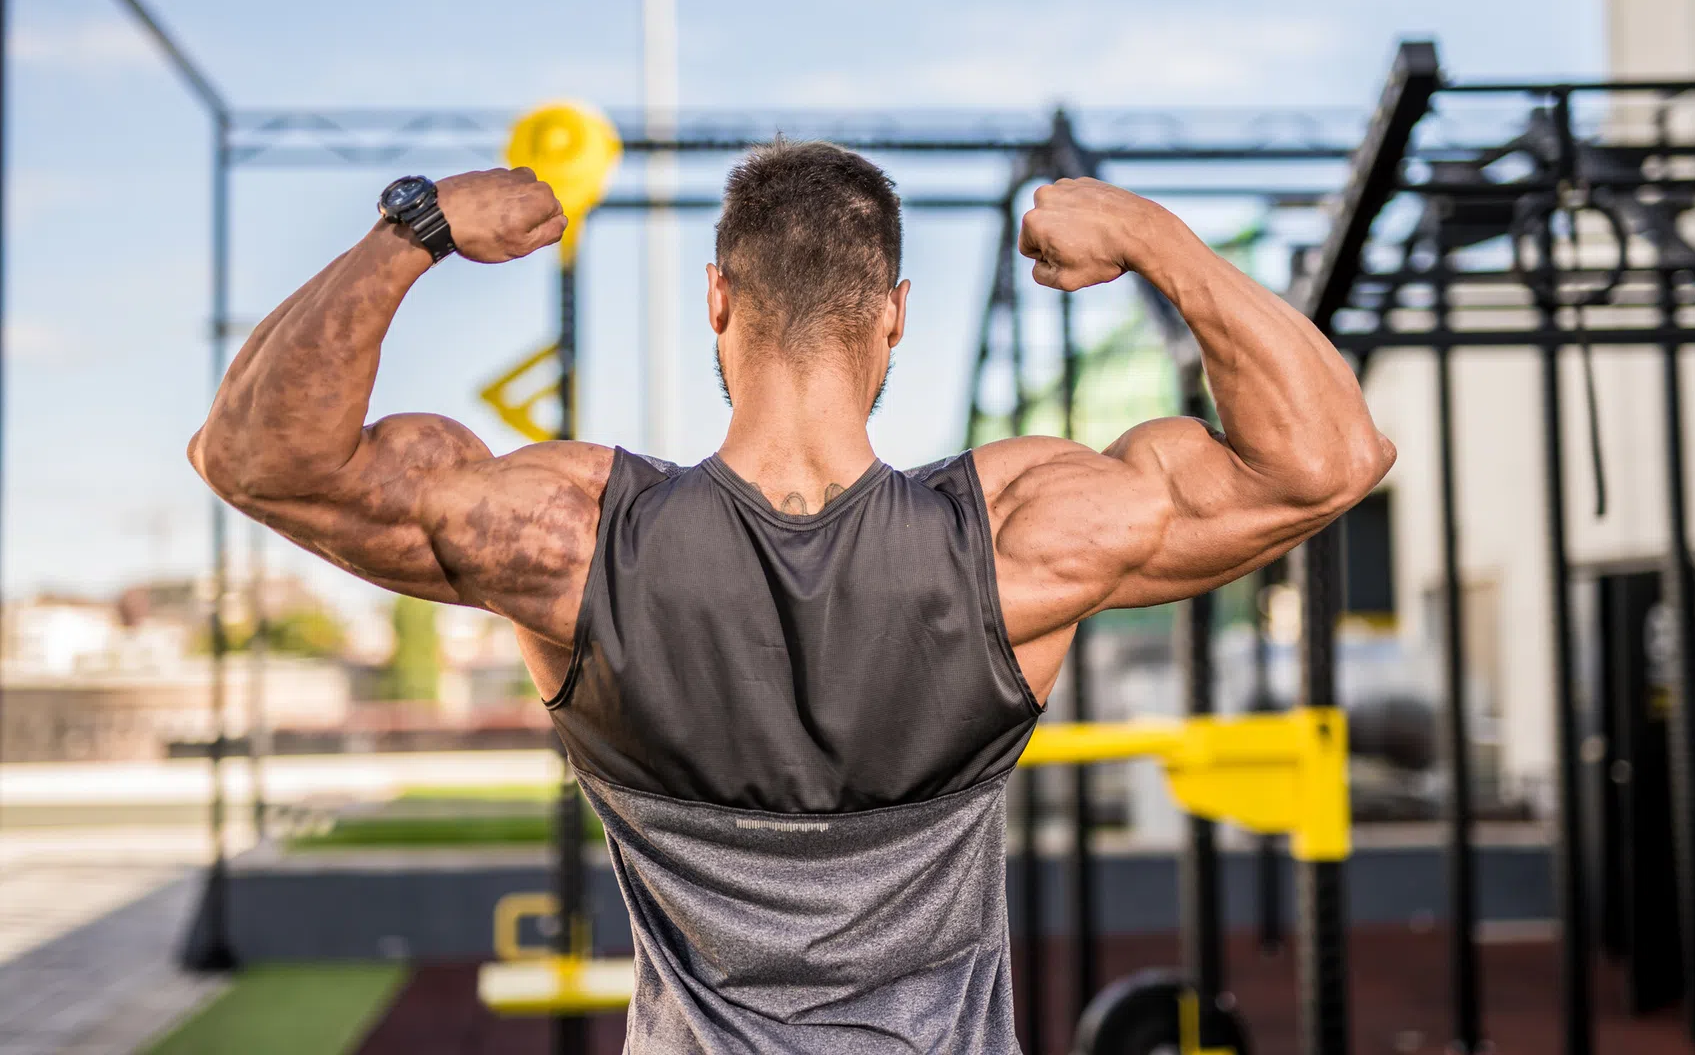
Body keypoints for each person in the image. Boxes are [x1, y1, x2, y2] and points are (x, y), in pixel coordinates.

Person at [190, 140, 1393, 1053]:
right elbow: (1330, 460)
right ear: (895, 316)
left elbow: (252, 459)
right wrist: (1150, 235)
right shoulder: (1020, 540)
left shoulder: (568, 540)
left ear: (718, 301)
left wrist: (417, 229)